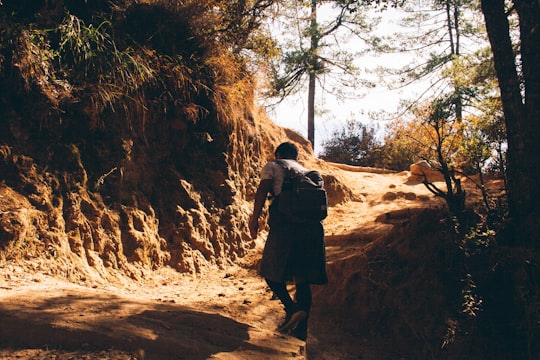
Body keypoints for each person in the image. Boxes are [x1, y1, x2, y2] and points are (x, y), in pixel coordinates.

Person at [248, 141, 328, 341]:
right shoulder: (308, 172)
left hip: (286, 227)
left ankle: (291, 309)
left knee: (270, 271)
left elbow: (262, 191)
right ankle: (301, 331)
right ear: (296, 156)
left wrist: (254, 218)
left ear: (279, 154)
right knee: (302, 279)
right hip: (312, 230)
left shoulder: (274, 166)